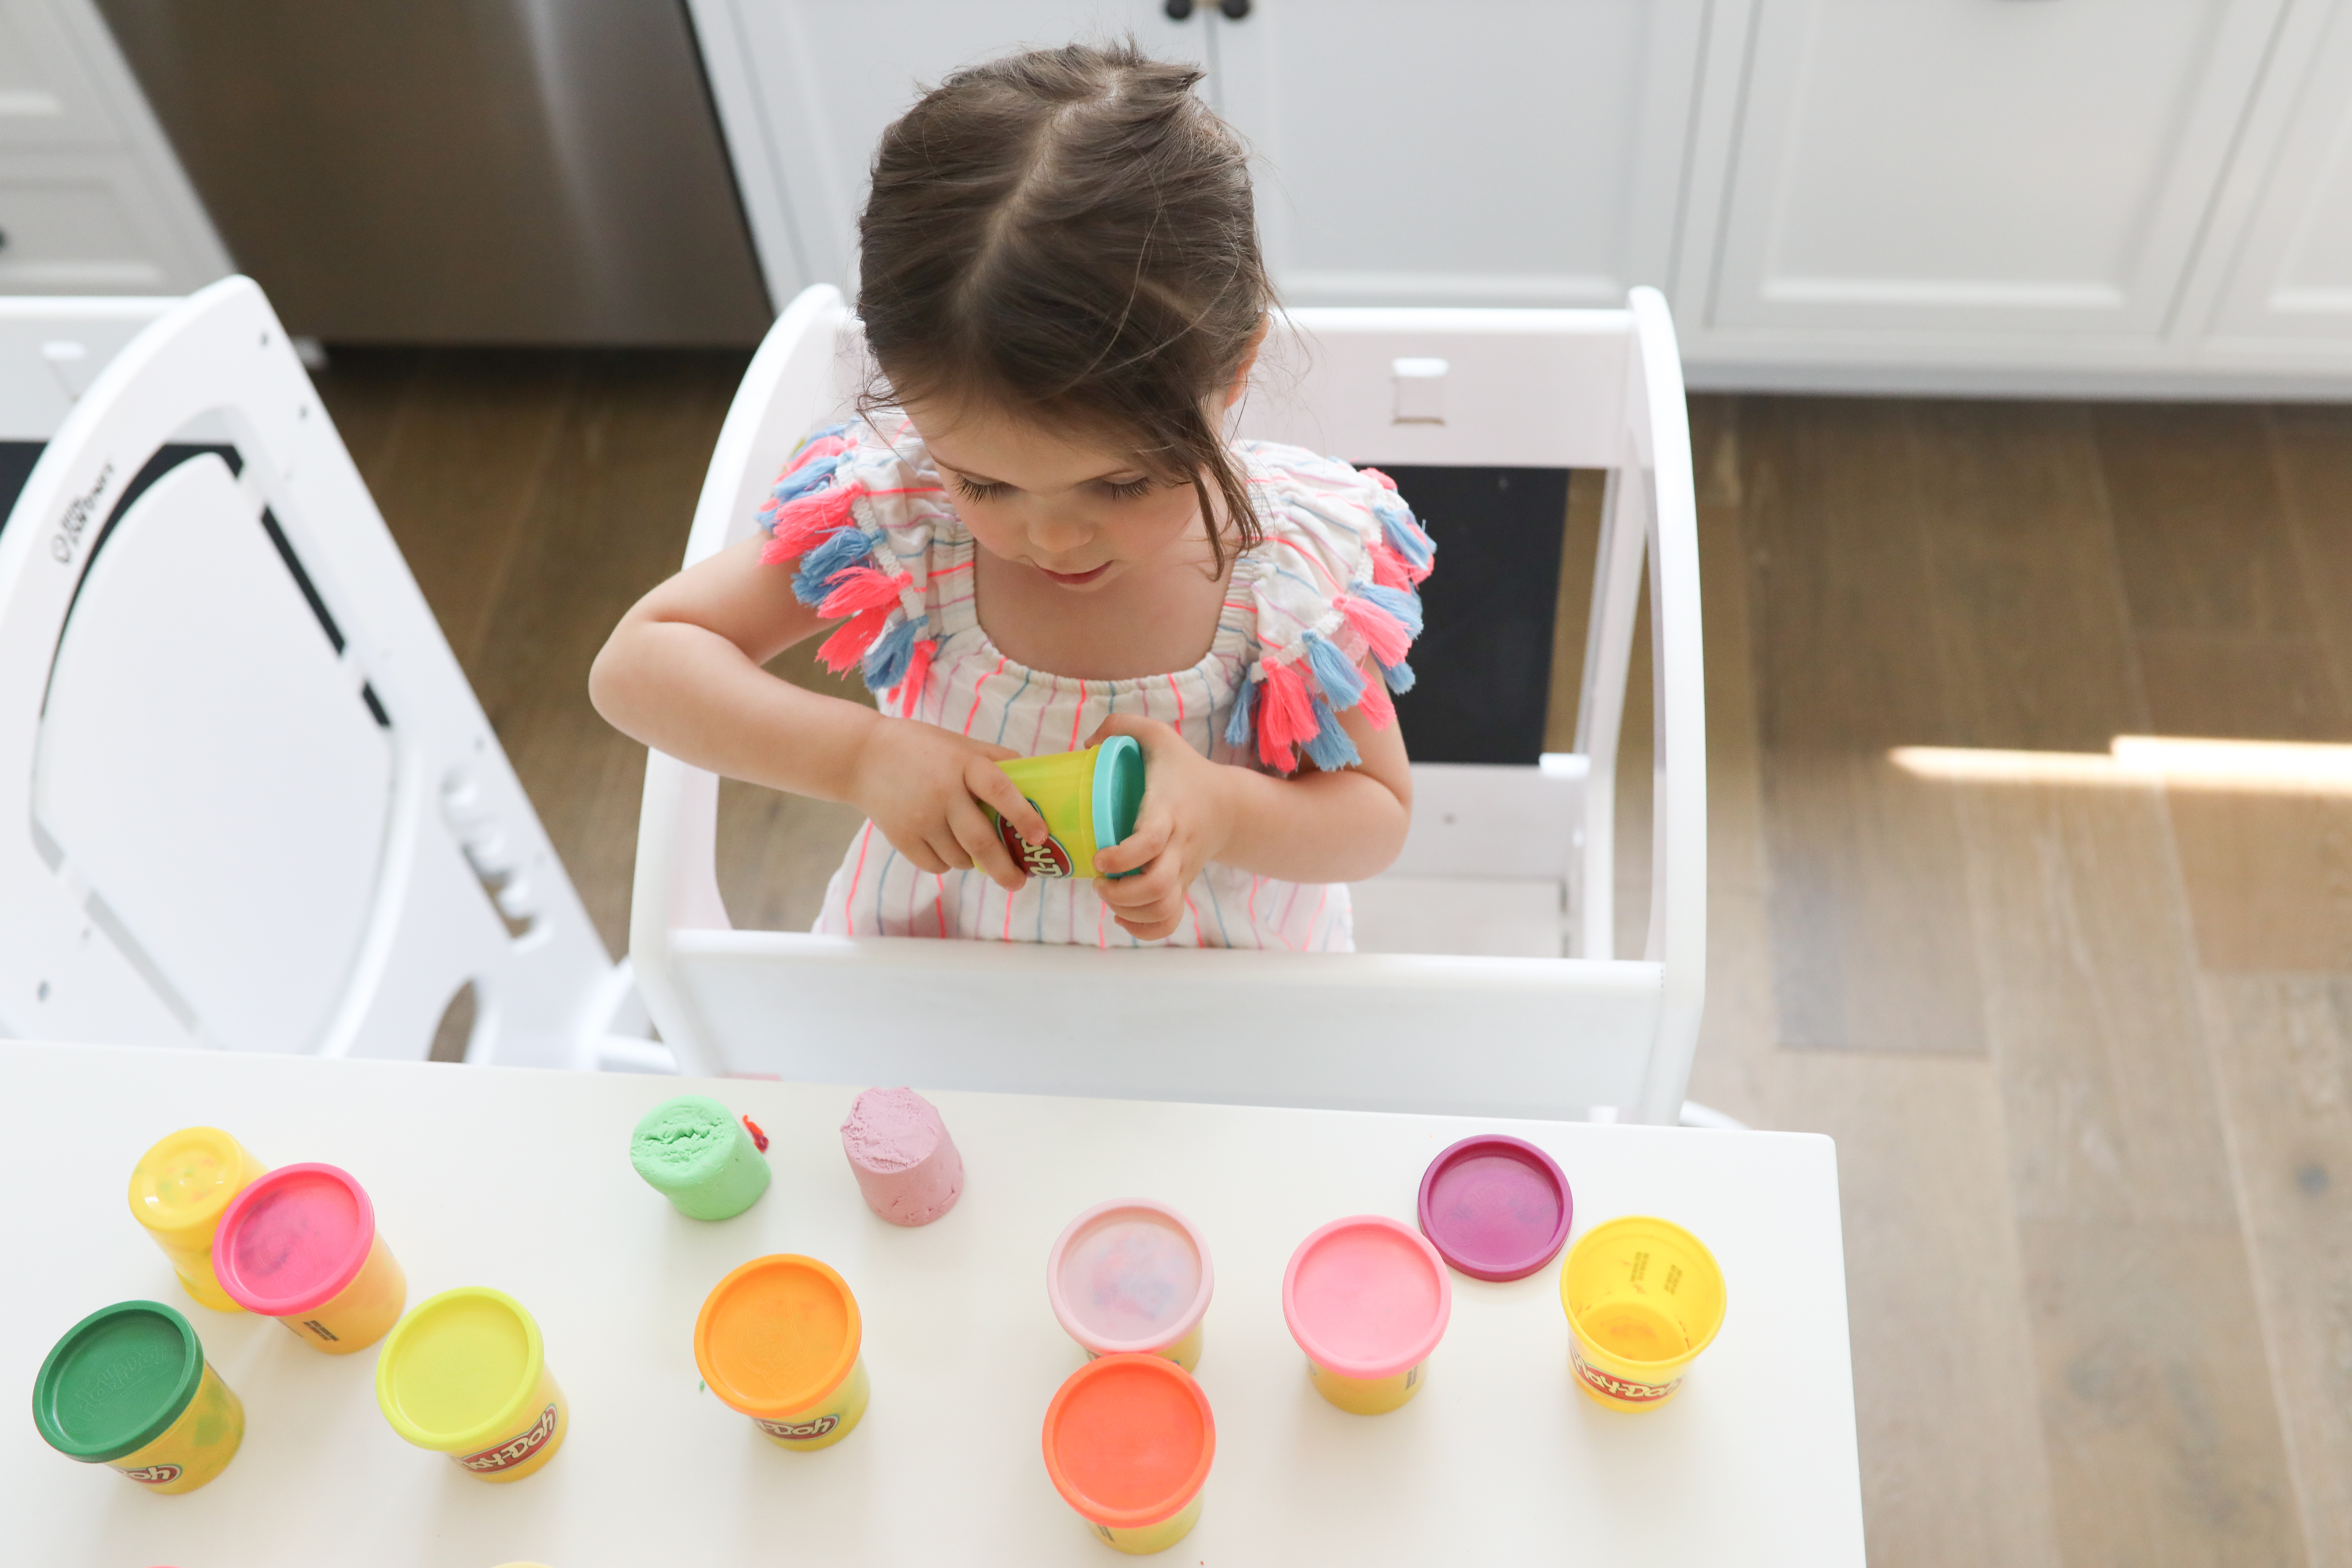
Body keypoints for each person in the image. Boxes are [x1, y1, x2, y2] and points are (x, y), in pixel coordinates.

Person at [590, 40, 1433, 951]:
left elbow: (1376, 814)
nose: (1052, 535)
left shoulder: (1295, 567)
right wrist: (862, 757)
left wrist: (1223, 812)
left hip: (1218, 1016)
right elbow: (638, 668)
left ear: (1236, 368)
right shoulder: (903, 515)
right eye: (985, 482)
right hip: (947, 1006)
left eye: (1120, 483)